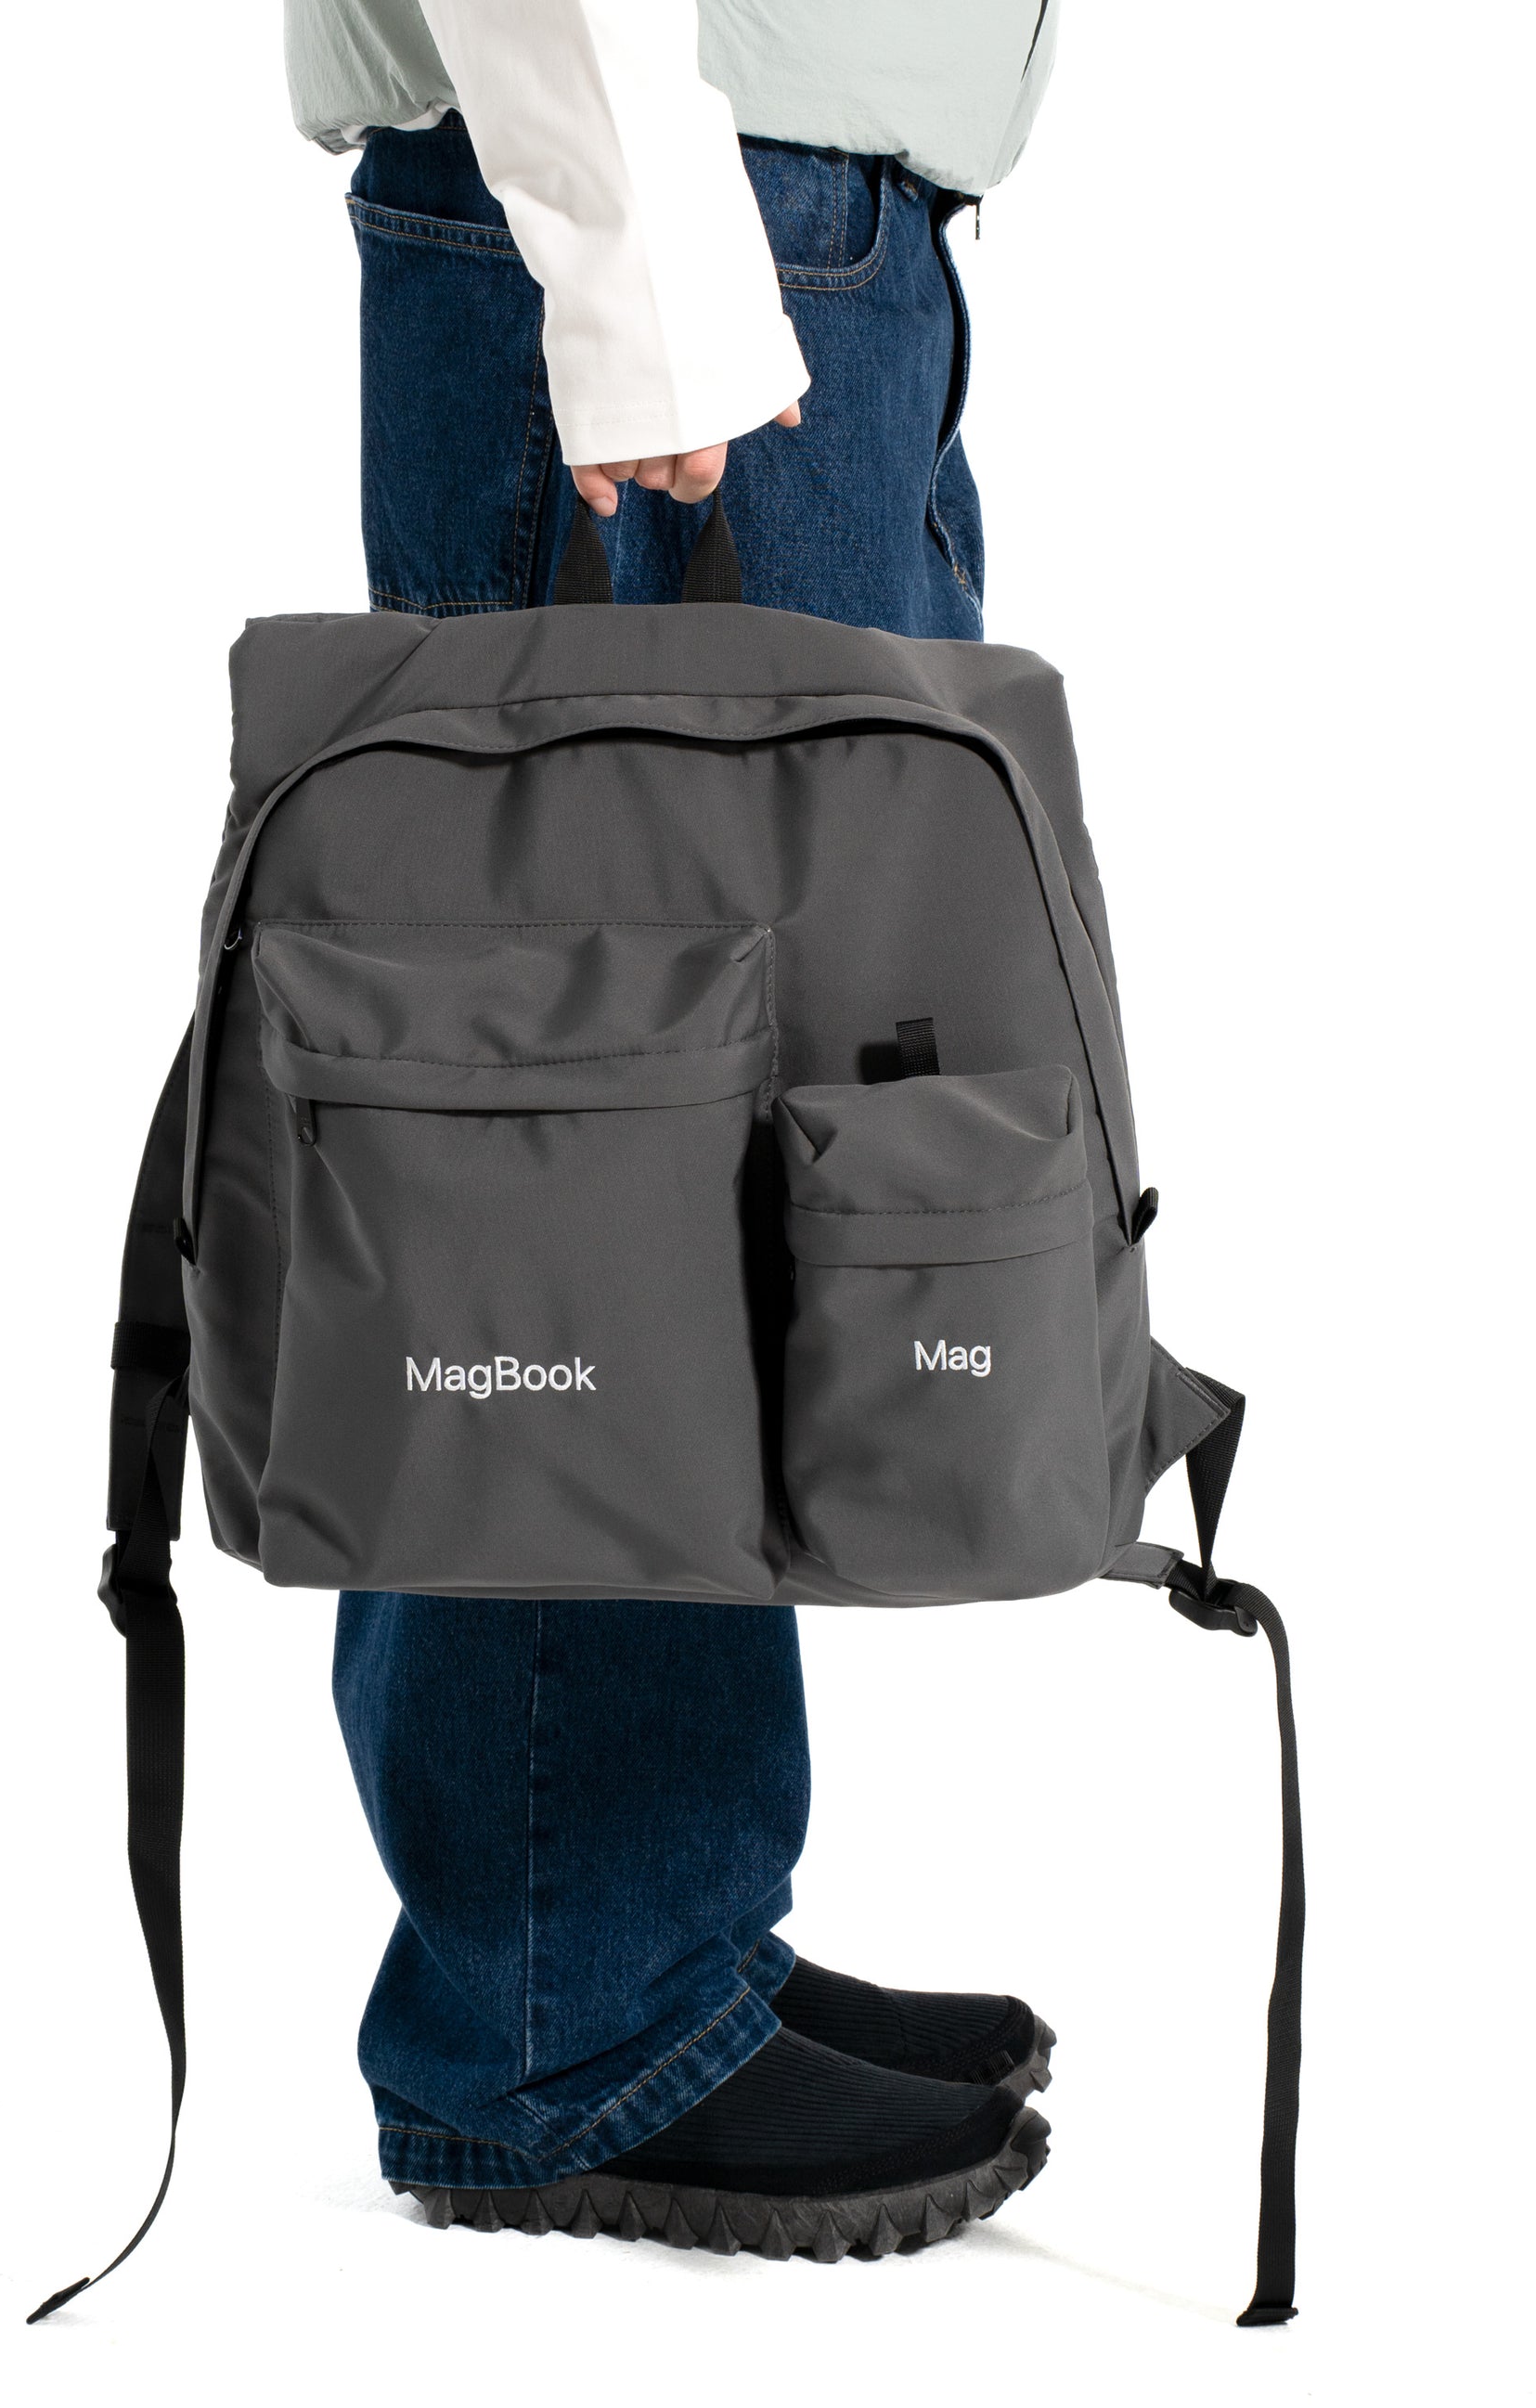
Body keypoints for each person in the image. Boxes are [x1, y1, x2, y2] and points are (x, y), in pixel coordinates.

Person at [285, 0, 1065, 2251]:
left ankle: (649, 1919)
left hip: (779, 210)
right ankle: (567, 2008)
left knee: (707, 1132)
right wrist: (638, 246)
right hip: (677, 203)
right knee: (572, 1149)